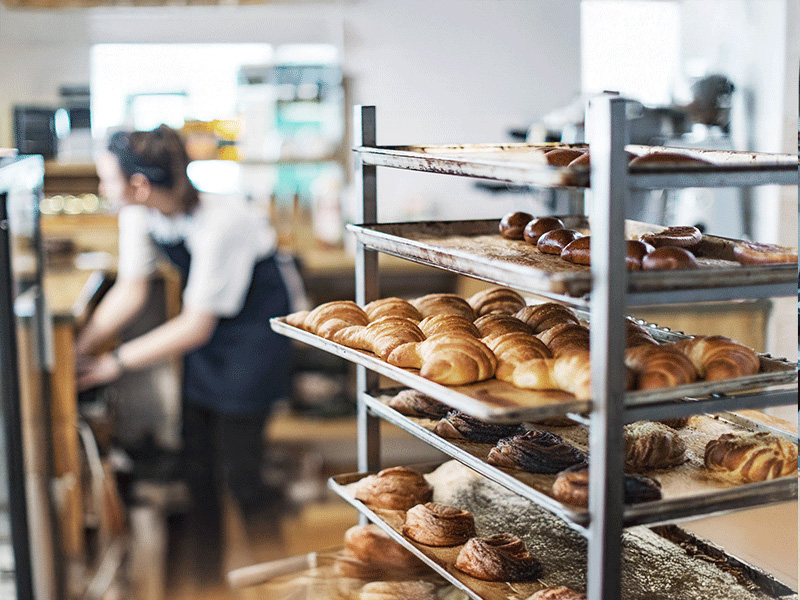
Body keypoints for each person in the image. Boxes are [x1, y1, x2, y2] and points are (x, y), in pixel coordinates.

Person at [76, 124, 292, 583]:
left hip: (253, 338)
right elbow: (131, 291)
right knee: (197, 471)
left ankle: (286, 583)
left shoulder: (223, 221)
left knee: (242, 474)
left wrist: (112, 365)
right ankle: (207, 583)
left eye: (106, 178)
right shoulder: (139, 212)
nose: (101, 188)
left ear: (137, 184)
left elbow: (195, 324)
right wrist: (80, 347)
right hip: (209, 339)